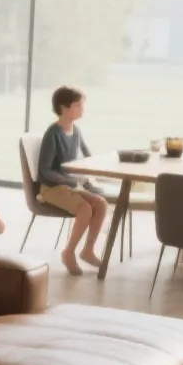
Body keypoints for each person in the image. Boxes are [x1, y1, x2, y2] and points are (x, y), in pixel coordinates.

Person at [35, 86, 110, 275]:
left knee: (101, 204)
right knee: (85, 209)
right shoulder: (53, 133)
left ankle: (87, 250)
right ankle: (68, 252)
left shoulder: (76, 131)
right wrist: (70, 182)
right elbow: (44, 171)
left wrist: (99, 169)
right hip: (52, 188)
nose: (82, 109)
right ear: (63, 107)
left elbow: (87, 156)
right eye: (78, 105)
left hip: (69, 186)